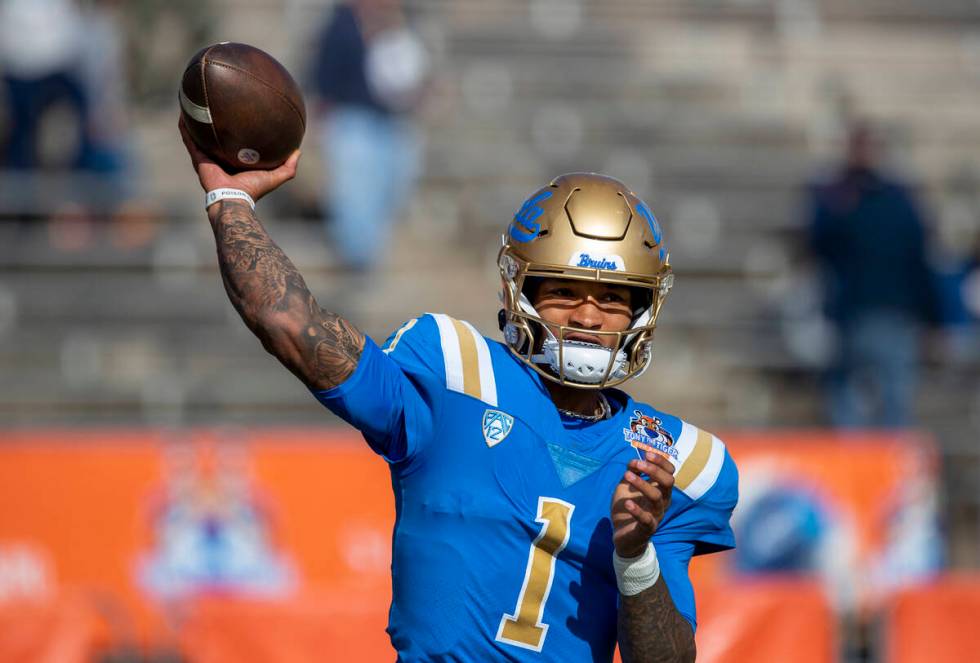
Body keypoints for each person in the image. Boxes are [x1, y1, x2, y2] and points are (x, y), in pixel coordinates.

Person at [179, 117, 738, 662]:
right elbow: (293, 328)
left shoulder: (668, 460)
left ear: (644, 310)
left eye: (613, 297)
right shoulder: (452, 373)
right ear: (521, 291)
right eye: (565, 291)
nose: (589, 316)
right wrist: (230, 199)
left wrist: (635, 553)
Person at [807, 122, 939, 428]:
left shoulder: (894, 200)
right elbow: (819, 247)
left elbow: (918, 259)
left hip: (889, 315)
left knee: (890, 401)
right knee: (856, 402)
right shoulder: (839, 197)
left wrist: (933, 317)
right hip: (855, 316)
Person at [309, 0, 428, 272]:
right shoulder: (340, 24)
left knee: (391, 189)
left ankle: (370, 255)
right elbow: (323, 73)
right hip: (353, 119)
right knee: (354, 192)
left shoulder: (400, 21)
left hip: (393, 121)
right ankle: (357, 260)